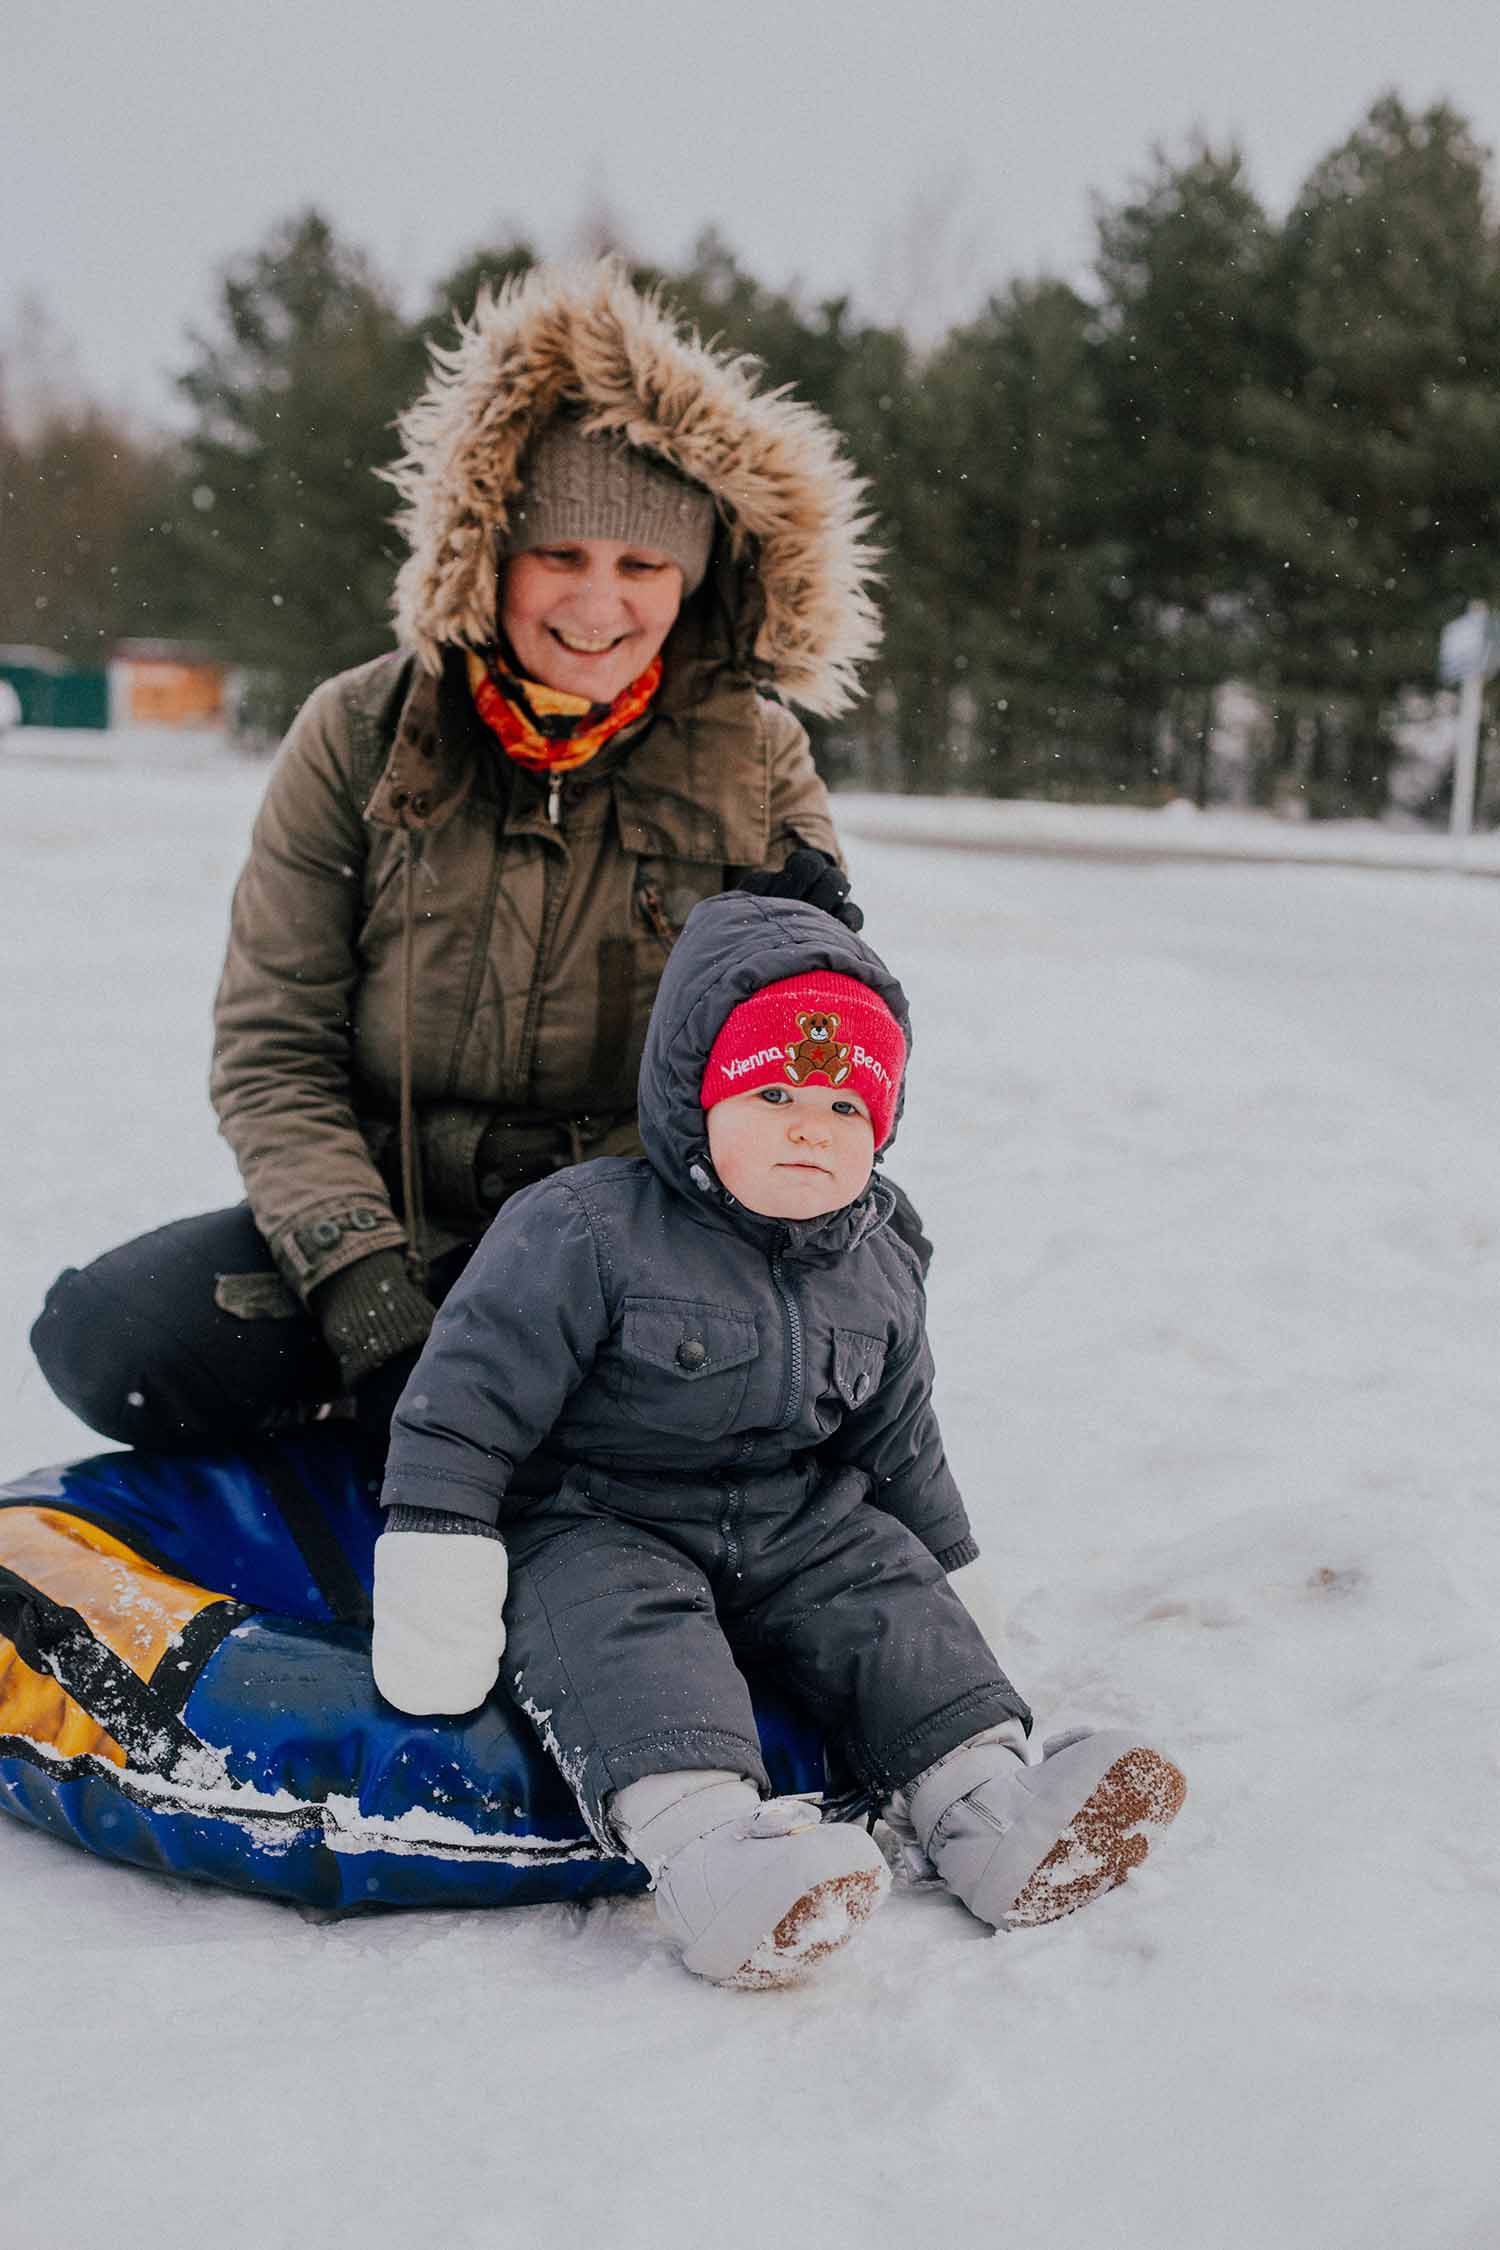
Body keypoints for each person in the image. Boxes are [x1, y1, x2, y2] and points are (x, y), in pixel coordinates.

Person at [29, 260, 889, 1457]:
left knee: (769, 1388)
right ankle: (383, 1411)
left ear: (690, 581)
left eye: (641, 566)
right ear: (491, 557)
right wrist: (363, 1287)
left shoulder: (756, 759)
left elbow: (811, 1074)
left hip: (628, 1240)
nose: (600, 603)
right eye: (563, 556)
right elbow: (274, 1046)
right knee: (112, 1336)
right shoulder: (361, 730)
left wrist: (812, 971)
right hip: (397, 1221)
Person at [371, 889, 1186, 1987]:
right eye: (776, 1092)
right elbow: (467, 1398)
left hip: (793, 1520)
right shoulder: (586, 1228)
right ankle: (714, 1855)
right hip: (604, 1517)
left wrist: (952, 1574)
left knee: (884, 1591)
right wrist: (440, 1545)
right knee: (626, 1635)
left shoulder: (883, 1257)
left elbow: (903, 1440)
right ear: (692, 1094)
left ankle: (991, 1810)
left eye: (849, 1107)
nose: (813, 1124)